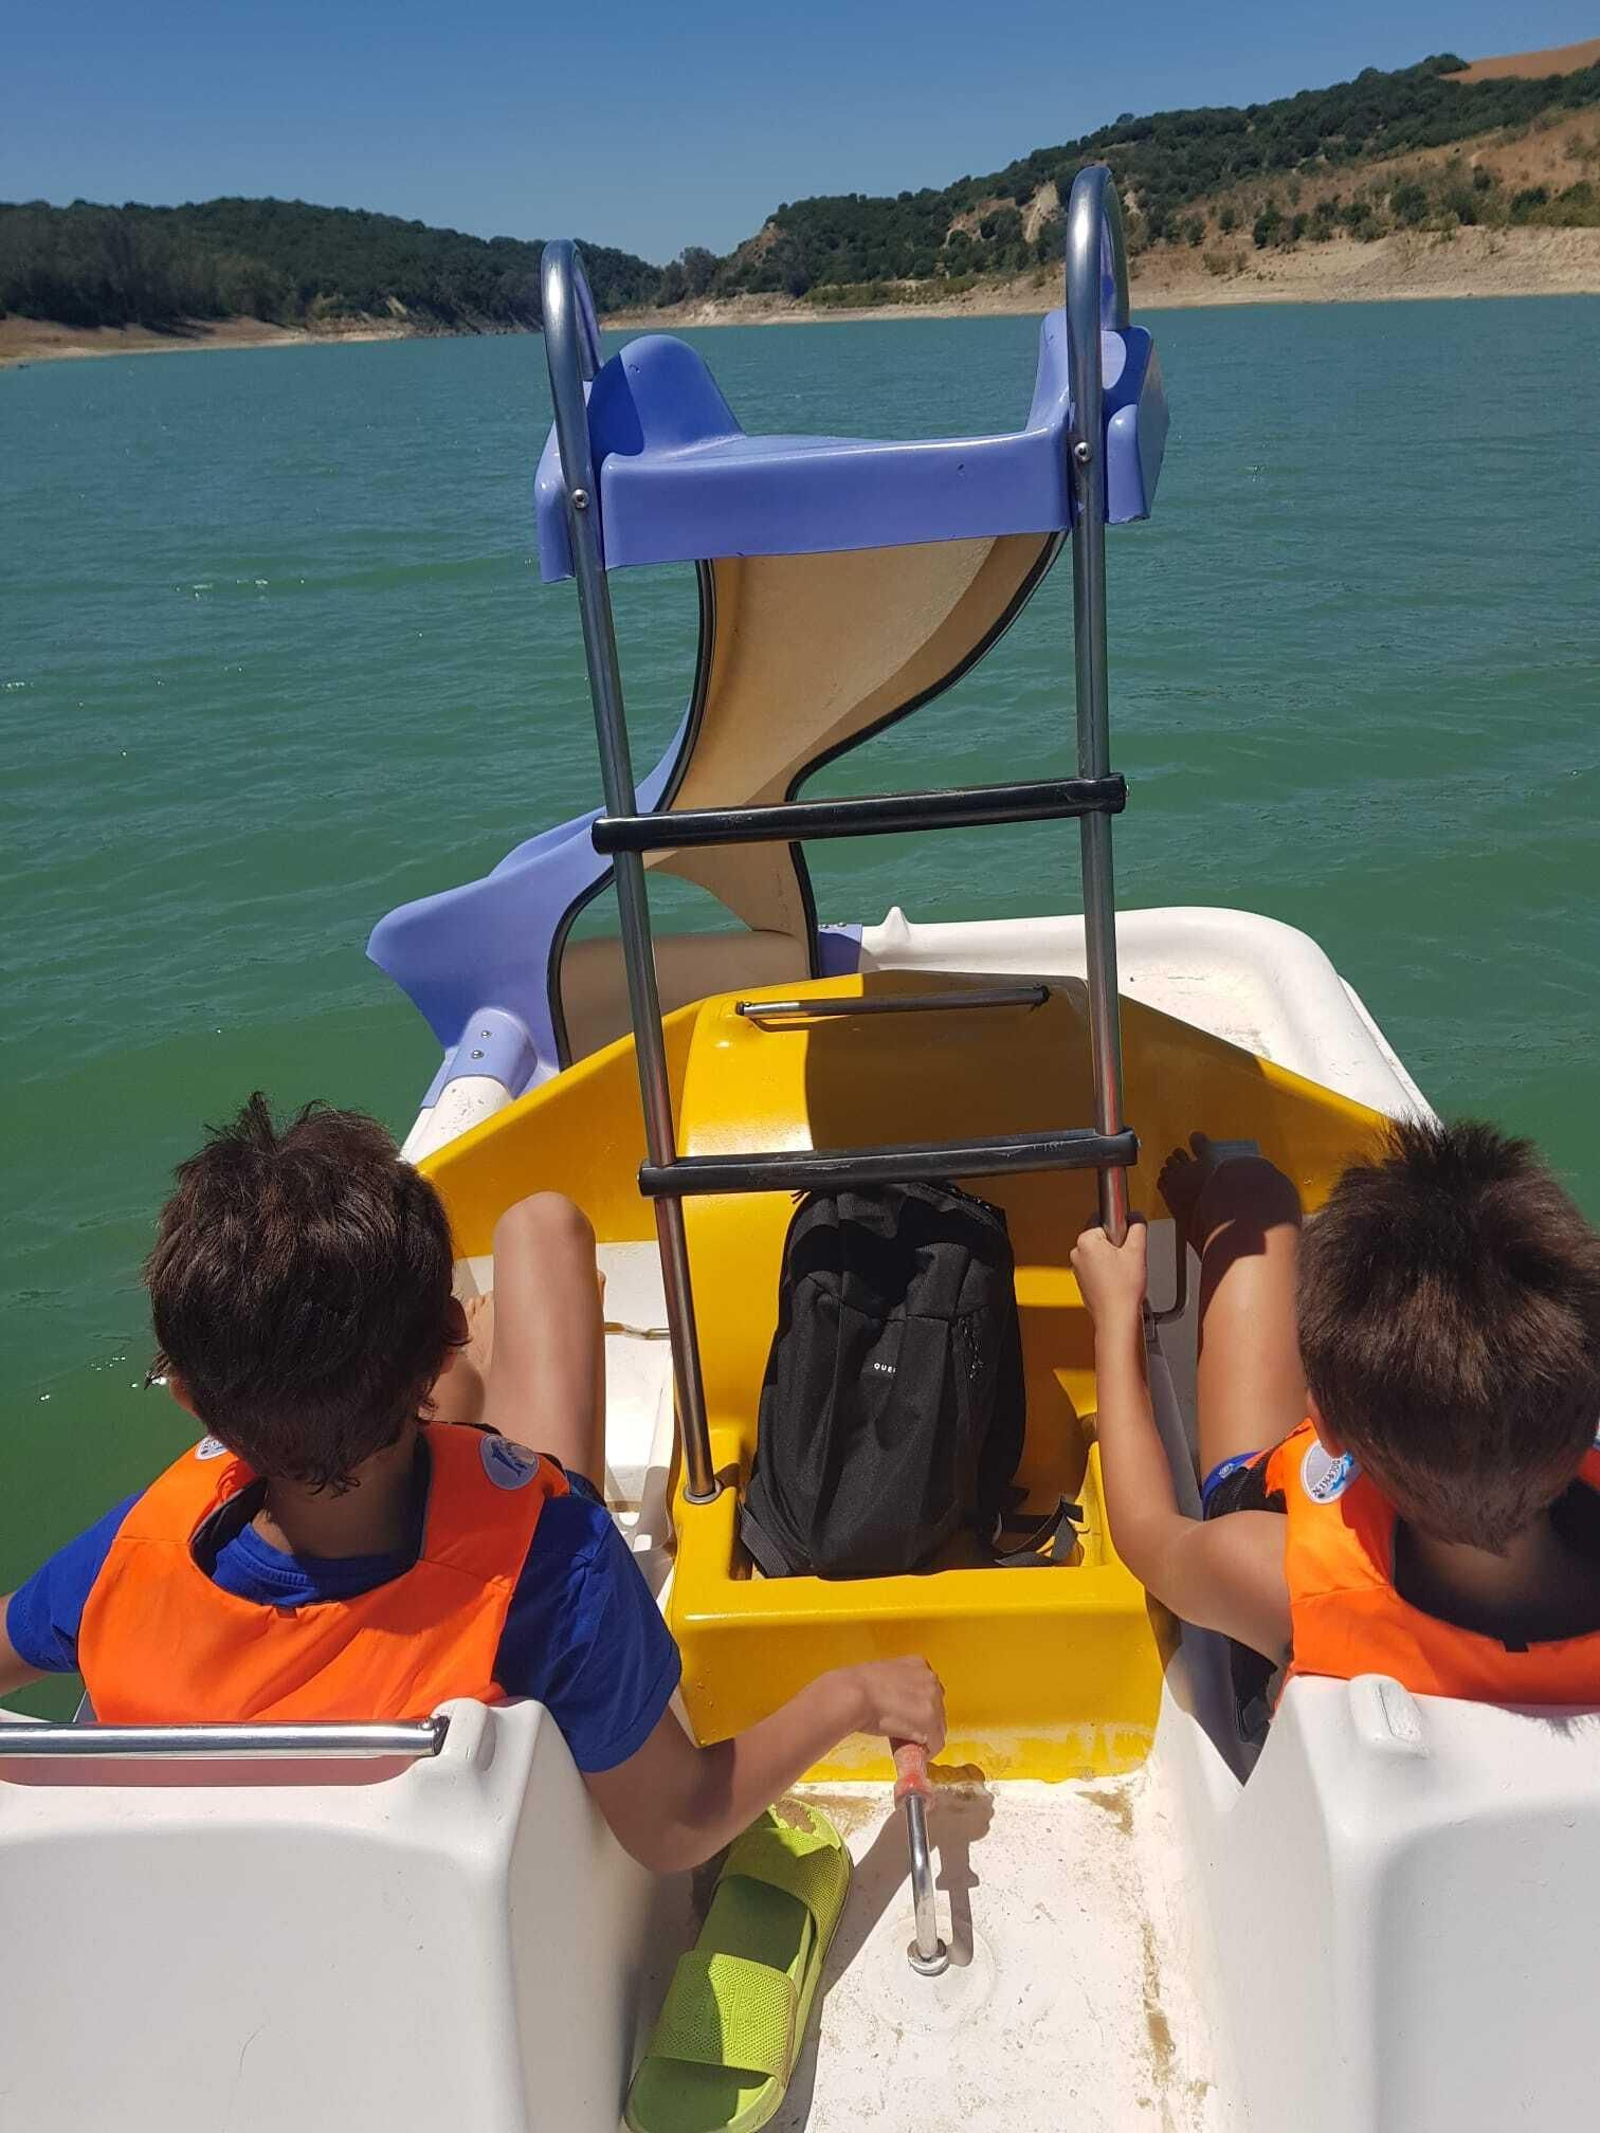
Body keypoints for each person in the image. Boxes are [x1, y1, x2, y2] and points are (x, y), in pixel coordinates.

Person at [0, 1095, 943, 1869]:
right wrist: (852, 1694)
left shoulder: (136, 1554)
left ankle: (457, 1362)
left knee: (399, 1395)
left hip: (364, 1457)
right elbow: (680, 1822)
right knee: (543, 1226)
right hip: (453, 1527)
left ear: (193, 1397)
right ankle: (469, 1347)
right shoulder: (555, 1561)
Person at [1071, 1119, 1600, 1723]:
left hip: (1278, 1508)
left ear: (1319, 1416)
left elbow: (1146, 1535)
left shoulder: (1268, 1571)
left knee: (1253, 1199)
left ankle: (1218, 1204)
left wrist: (1114, 1317)